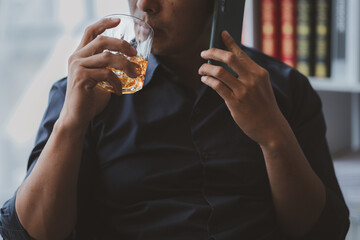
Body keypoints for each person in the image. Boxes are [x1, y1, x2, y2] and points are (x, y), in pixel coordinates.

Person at [0, 0, 350, 239]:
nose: (144, 4)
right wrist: (71, 123)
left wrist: (273, 136)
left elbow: (323, 231)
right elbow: (27, 233)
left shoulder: (283, 90)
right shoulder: (86, 91)